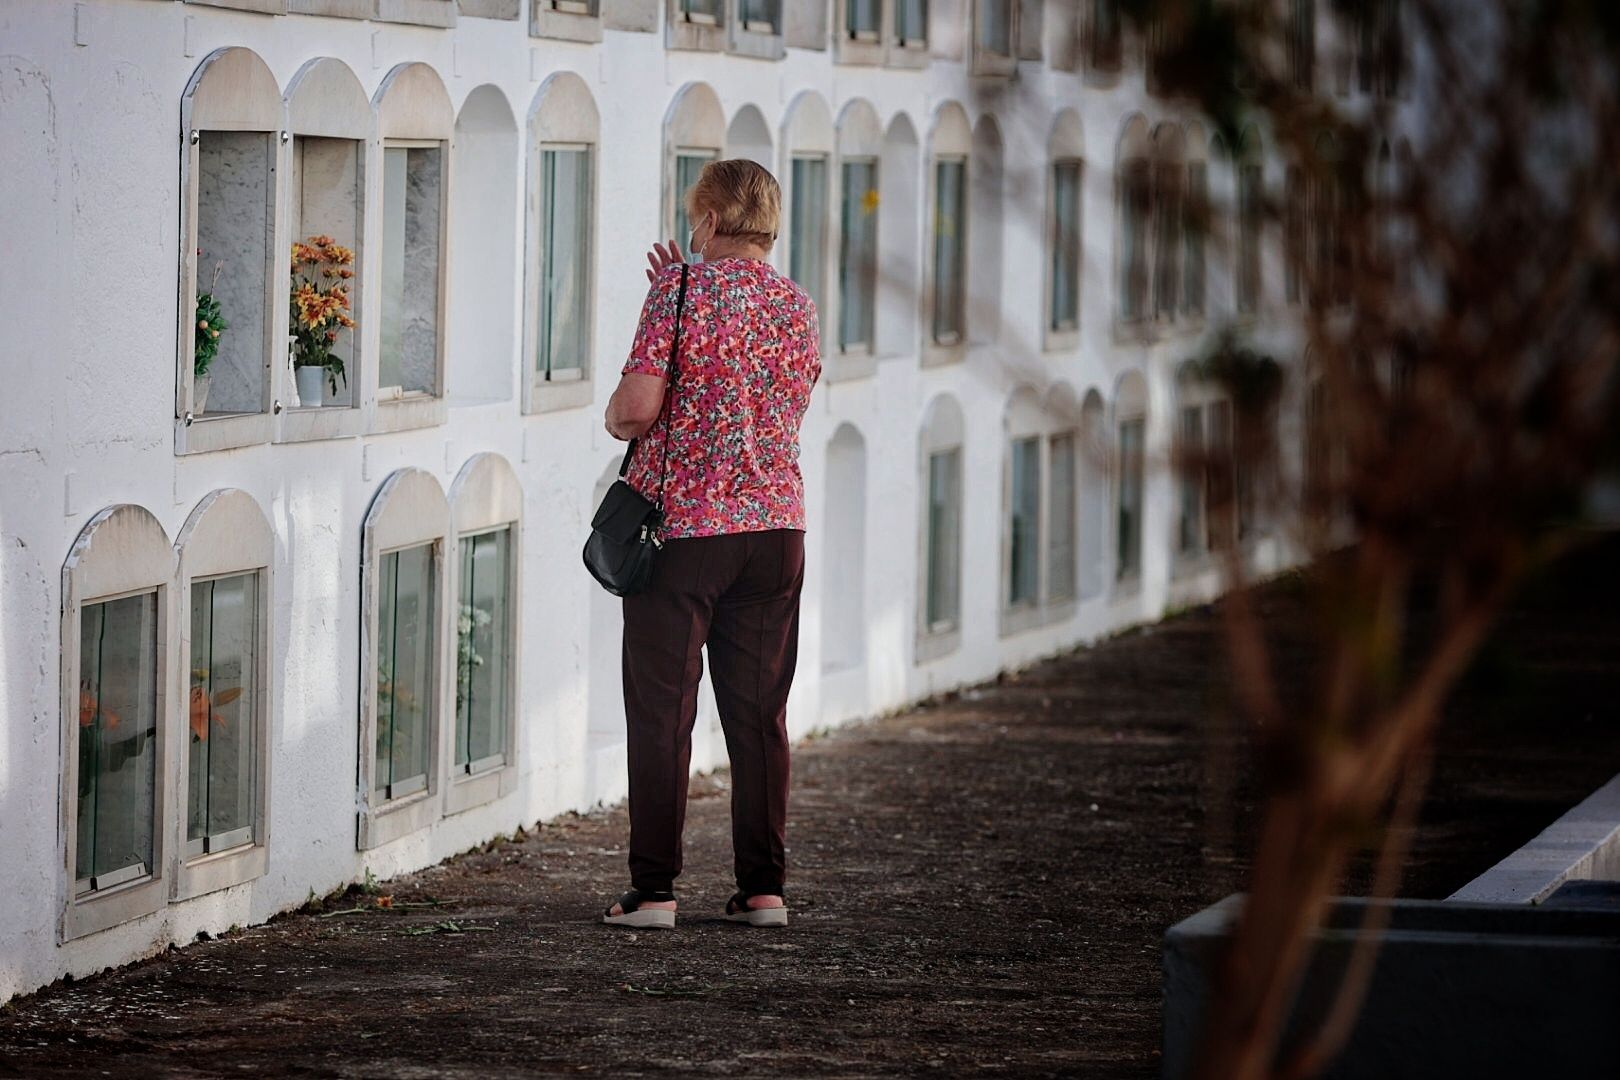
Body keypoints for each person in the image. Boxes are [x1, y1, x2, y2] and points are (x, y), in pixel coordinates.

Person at [600, 159, 821, 930]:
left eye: (698, 218)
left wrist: (667, 297)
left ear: (714, 221)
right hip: (776, 533)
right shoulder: (798, 304)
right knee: (759, 716)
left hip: (687, 534)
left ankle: (654, 892)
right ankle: (764, 891)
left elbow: (637, 409)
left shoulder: (680, 291)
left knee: (664, 711)